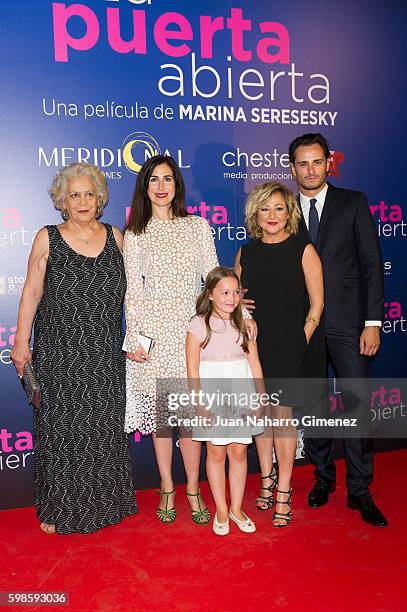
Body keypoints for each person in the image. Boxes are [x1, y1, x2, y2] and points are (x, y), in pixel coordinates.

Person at [123, 155, 256, 525]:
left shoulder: (197, 226)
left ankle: (194, 488)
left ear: (177, 185)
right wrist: (136, 337)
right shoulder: (135, 232)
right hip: (152, 332)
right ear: (144, 186)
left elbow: (213, 277)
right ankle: (167, 486)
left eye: (168, 179)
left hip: (193, 330)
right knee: (163, 419)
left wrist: (237, 308)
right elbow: (133, 289)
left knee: (193, 416)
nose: (161, 187)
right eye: (154, 180)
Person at [10, 162, 137, 534]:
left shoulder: (117, 236)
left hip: (105, 352)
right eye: (75, 194)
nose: (83, 201)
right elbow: (32, 290)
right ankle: (61, 507)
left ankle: (107, 503)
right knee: (62, 430)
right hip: (59, 352)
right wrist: (20, 342)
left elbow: (136, 294)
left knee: (103, 428)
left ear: (100, 200)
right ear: (63, 201)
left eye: (90, 194)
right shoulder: (47, 237)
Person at [289, 132, 387, 527]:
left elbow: (371, 267)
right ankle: (323, 478)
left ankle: (360, 490)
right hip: (304, 326)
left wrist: (373, 322)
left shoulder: (353, 202)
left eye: (317, 162)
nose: (310, 170)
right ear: (292, 167)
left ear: (329, 162)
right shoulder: (283, 210)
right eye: (302, 163)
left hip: (349, 324)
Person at [235, 181, 324, 527]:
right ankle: (267, 479)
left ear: (289, 213)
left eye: (279, 208)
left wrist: (301, 337)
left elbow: (317, 304)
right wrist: (239, 305)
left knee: (282, 417)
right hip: (255, 345)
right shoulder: (247, 252)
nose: (272, 215)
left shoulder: (303, 249)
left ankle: (284, 489)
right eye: (265, 209)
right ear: (255, 214)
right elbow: (234, 296)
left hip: (290, 344)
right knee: (262, 415)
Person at [186, 266, 264, 535]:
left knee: (239, 452)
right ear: (210, 294)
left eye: (236, 292)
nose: (231, 298)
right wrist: (199, 403)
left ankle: (237, 509)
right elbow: (193, 369)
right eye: (225, 292)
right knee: (216, 452)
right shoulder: (198, 324)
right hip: (211, 394)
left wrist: (261, 398)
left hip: (241, 391)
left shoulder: (245, 323)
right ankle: (221, 509)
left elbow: (254, 362)